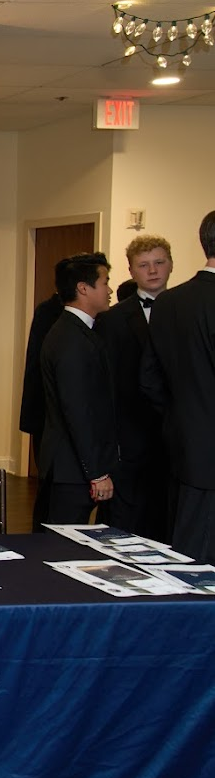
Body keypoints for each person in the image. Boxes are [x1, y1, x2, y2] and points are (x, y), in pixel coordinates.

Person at [142, 212, 215, 561]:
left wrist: (180, 417)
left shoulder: (169, 302)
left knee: (186, 548)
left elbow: (150, 379)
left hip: (181, 444)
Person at [97, 234, 173, 541]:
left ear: (171, 265)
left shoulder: (187, 309)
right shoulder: (113, 320)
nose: (152, 270)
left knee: (168, 517)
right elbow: (106, 384)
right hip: (129, 438)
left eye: (159, 263)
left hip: (176, 437)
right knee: (125, 522)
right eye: (144, 265)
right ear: (132, 271)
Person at [39, 253, 117, 526]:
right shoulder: (72, 340)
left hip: (70, 466)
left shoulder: (74, 332)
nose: (109, 290)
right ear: (84, 288)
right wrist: (97, 473)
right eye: (105, 282)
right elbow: (78, 411)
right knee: (63, 548)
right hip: (72, 468)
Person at [19, 261, 67, 529]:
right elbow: (37, 369)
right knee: (49, 488)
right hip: (48, 417)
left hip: (48, 418)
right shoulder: (50, 315)